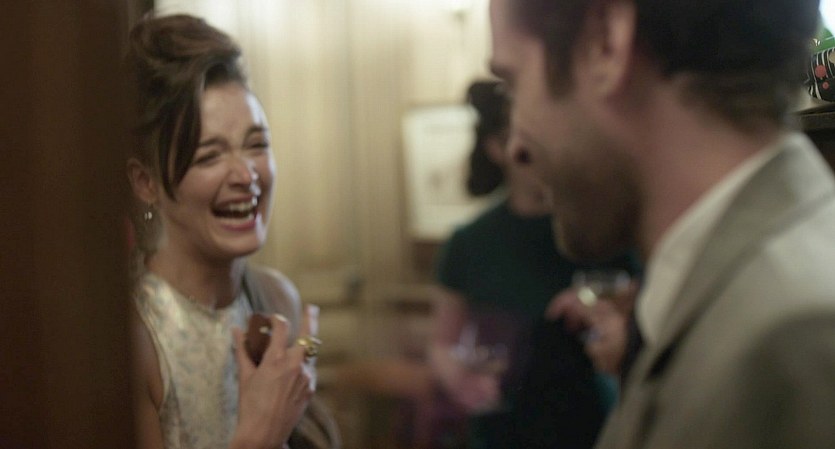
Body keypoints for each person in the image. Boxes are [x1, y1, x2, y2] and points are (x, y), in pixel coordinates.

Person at [489, 0, 835, 448]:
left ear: (604, 43)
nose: (515, 146)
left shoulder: (791, 340)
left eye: (513, 84)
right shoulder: (731, 299)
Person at [125, 14, 339, 449]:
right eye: (210, 156)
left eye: (256, 145)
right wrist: (261, 433)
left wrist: (304, 371)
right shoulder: (135, 336)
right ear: (146, 183)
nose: (246, 175)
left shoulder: (277, 299)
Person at [428, 80, 637, 449]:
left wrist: (599, 305)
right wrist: (461, 380)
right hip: (503, 429)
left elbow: (650, 299)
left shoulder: (598, 225)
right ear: (498, 149)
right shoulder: (470, 241)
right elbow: (443, 342)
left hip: (590, 422)